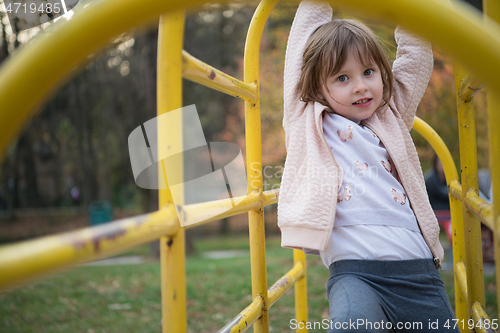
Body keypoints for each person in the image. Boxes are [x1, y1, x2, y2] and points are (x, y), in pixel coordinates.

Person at [277, 2, 458, 332]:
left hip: (418, 273)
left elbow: (415, 60)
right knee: (352, 326)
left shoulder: (390, 116)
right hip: (355, 273)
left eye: (369, 72)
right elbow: (301, 41)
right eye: (343, 78)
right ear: (318, 87)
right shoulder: (306, 120)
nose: (360, 86)